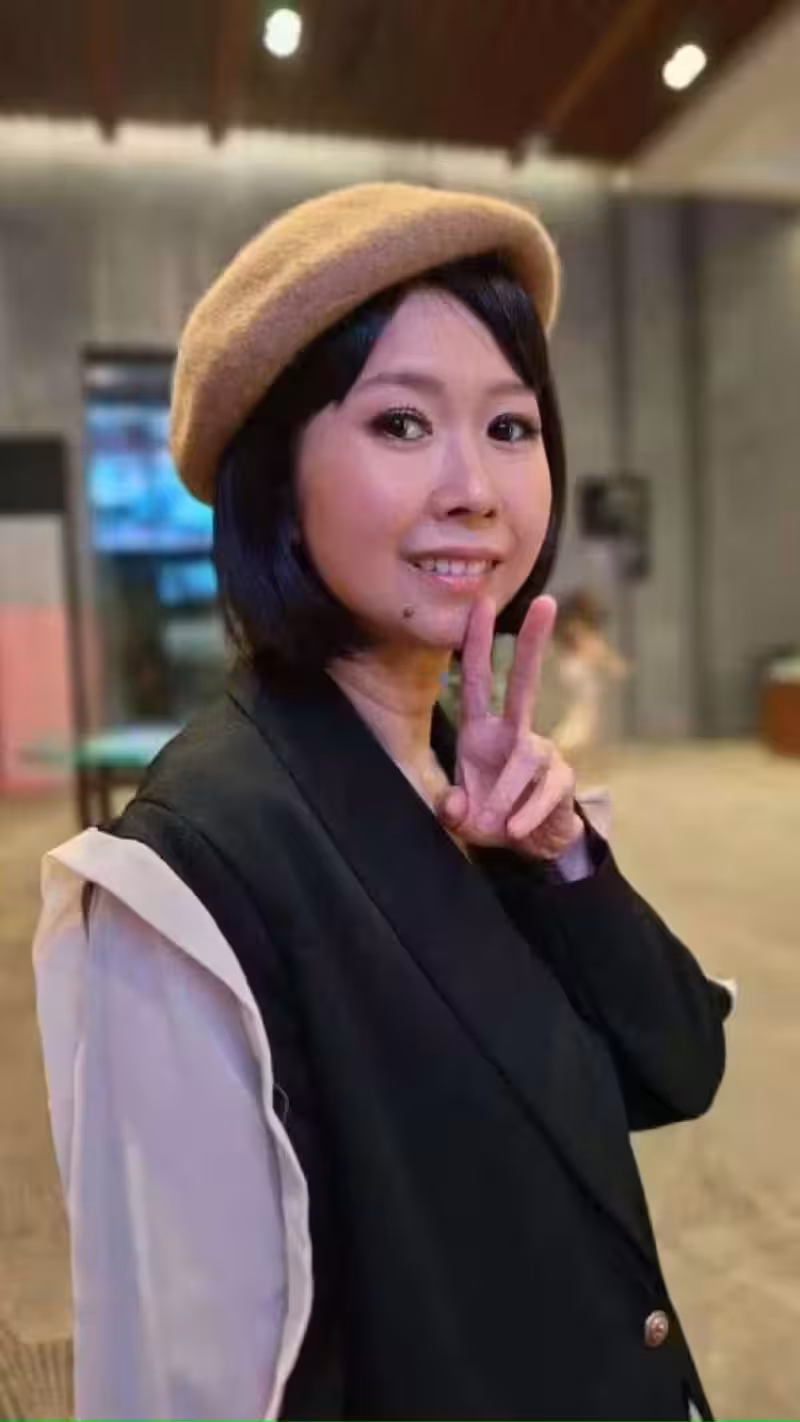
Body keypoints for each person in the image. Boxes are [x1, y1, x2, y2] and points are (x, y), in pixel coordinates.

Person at [33, 184, 733, 1421]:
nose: (475, 488)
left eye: (509, 426)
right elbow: (188, 1380)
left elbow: (677, 1065)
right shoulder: (190, 876)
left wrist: (562, 856)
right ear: (273, 475)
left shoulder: (480, 779)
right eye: (401, 423)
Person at [551, 588, 628, 782]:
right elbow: (593, 650)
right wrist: (612, 665)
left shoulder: (569, 625)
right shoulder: (578, 627)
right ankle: (558, 751)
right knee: (583, 718)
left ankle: (575, 764)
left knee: (583, 716)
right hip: (580, 672)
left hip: (573, 670)